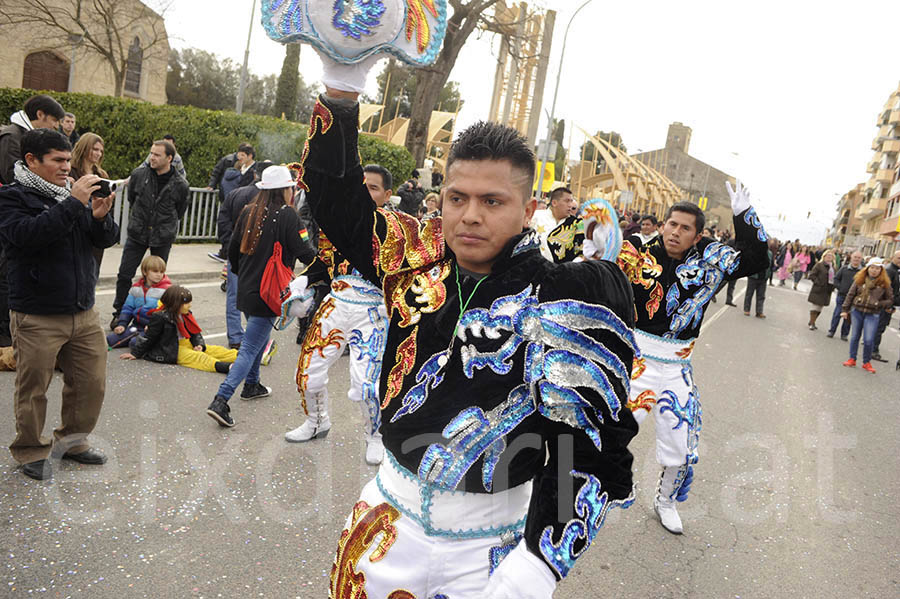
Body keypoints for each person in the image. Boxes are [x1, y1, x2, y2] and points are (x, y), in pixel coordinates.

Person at [300, 67, 637, 595]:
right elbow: (335, 201)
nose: (470, 216)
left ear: (528, 210)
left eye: (492, 201)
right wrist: (342, 86)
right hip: (386, 521)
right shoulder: (413, 257)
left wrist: (538, 563)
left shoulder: (562, 296)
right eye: (457, 198)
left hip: (493, 544)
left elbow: (587, 448)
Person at [557, 182, 769, 535]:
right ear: (664, 224)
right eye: (672, 224)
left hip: (676, 368)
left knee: (681, 447)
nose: (675, 232)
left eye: (685, 228)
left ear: (698, 235)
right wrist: (592, 242)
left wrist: (743, 216)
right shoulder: (637, 251)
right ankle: (575, 496)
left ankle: (665, 500)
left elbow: (759, 257)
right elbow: (587, 261)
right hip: (634, 362)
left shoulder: (711, 260)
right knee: (604, 433)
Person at [0, 128, 119, 480]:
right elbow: (26, 237)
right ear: (32, 160)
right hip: (36, 312)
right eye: (58, 160)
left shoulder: (71, 194)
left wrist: (99, 217)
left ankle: (72, 442)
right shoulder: (12, 197)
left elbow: (104, 240)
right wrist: (73, 205)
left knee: (90, 382)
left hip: (81, 309)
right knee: (33, 387)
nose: (67, 167)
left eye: (69, 160)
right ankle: (30, 449)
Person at [284, 164, 393, 466]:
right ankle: (317, 421)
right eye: (362, 186)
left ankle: (375, 437)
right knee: (308, 371)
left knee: (367, 385)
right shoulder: (340, 224)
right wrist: (302, 282)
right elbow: (323, 262)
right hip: (336, 304)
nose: (365, 193)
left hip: (373, 312)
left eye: (373, 188)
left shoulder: (396, 232)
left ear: (387, 194)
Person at [206, 165, 315, 427]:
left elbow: (232, 251)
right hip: (270, 292)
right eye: (291, 187)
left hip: (246, 288)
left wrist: (243, 273)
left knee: (258, 338)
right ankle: (221, 399)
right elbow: (306, 253)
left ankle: (252, 385)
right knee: (250, 347)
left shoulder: (248, 211)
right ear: (285, 190)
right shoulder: (288, 216)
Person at [0, 94, 66, 347]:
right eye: (53, 122)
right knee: (7, 274)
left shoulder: (20, 136)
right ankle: (5, 334)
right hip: (13, 214)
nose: (55, 127)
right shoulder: (12, 136)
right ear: (39, 115)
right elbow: (12, 177)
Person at [111, 139, 190, 328]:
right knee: (124, 274)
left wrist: (163, 225)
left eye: (157, 155)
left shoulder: (181, 184)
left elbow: (179, 211)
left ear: (169, 158)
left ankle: (153, 315)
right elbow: (132, 198)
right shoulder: (139, 175)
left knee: (158, 278)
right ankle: (120, 312)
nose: (151, 158)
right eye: (151, 153)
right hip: (138, 233)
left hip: (162, 236)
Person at [215, 160, 274, 348]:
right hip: (260, 257)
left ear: (255, 175)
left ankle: (235, 337)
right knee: (260, 295)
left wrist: (227, 243)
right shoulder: (272, 200)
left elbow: (222, 220)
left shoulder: (236, 193)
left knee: (234, 296)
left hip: (236, 251)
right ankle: (256, 337)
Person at [119, 284, 237, 373]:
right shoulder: (160, 317)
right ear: (175, 304)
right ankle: (226, 367)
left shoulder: (186, 313)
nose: (189, 305)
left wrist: (198, 344)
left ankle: (242, 357)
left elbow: (195, 332)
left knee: (215, 350)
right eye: (186, 303)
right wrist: (136, 353)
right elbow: (150, 338)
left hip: (185, 343)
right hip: (171, 348)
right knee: (199, 357)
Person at [841, 258, 894, 373]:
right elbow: (850, 294)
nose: (874, 271)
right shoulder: (860, 279)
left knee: (869, 339)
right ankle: (852, 358)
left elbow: (890, 300)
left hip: (873, 314)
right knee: (855, 336)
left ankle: (866, 362)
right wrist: (845, 309)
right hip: (857, 311)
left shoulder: (885, 283)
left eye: (877, 268)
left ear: (881, 270)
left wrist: (878, 303)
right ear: (868, 268)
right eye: (872, 268)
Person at [107, 255, 171, 348]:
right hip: (137, 325)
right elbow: (128, 308)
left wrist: (154, 326)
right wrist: (122, 324)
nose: (159, 274)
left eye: (162, 272)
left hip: (154, 328)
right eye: (155, 271)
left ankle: (157, 340)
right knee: (111, 340)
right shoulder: (136, 288)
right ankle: (139, 337)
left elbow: (168, 313)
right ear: (145, 272)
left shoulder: (167, 290)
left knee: (135, 344)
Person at [0, 94, 66, 184]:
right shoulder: (12, 137)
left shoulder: (33, 136)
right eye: (54, 120)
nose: (57, 126)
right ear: (40, 114)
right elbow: (11, 175)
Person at [70, 133, 112, 276]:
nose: (98, 154)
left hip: (95, 229)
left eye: (101, 151)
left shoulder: (102, 175)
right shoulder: (70, 171)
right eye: (94, 149)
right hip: (75, 227)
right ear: (84, 147)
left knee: (91, 275)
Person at [208, 143, 257, 263]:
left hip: (246, 205)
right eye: (239, 154)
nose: (239, 157)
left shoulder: (255, 171)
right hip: (234, 203)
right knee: (228, 227)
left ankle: (232, 254)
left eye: (243, 155)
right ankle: (226, 252)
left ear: (250, 156)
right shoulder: (238, 168)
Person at [532, 186, 577, 261]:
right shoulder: (536, 217)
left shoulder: (574, 224)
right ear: (554, 203)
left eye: (571, 201)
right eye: (567, 201)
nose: (570, 205)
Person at [870, 250, 900, 362]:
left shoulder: (895, 270)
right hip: (884, 306)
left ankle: (872, 348)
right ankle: (873, 350)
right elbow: (885, 290)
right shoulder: (889, 270)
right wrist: (888, 305)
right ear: (893, 257)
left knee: (880, 328)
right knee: (879, 328)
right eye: (899, 258)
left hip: (888, 305)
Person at [827, 250, 862, 340]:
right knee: (837, 314)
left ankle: (844, 334)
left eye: (859, 258)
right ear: (851, 258)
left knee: (849, 317)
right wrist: (840, 287)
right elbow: (836, 279)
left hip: (854, 299)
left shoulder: (862, 271)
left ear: (861, 259)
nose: (856, 259)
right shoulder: (844, 268)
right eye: (855, 257)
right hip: (842, 296)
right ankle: (832, 331)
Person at [806, 250, 835, 330]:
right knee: (815, 307)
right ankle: (811, 323)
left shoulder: (833, 267)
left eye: (831, 256)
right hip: (818, 289)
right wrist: (818, 282)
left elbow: (834, 278)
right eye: (828, 255)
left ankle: (813, 321)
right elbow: (812, 275)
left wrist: (833, 286)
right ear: (824, 256)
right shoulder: (819, 265)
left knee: (820, 308)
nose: (829, 257)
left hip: (827, 290)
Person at [744, 242, 772, 318]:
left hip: (763, 278)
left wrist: (768, 275)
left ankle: (759, 312)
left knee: (761, 296)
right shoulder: (754, 251)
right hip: (753, 276)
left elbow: (770, 266)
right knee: (749, 294)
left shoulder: (770, 253)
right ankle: (747, 309)